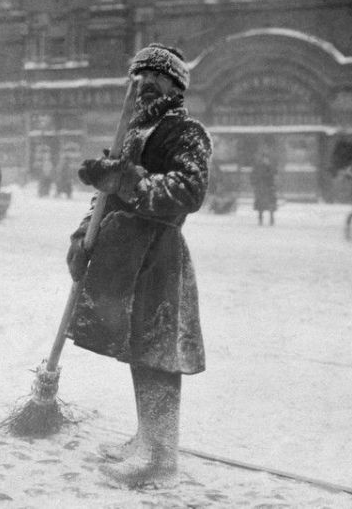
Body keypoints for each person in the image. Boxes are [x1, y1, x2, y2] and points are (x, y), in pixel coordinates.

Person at [66, 43, 212, 489]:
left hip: (159, 254)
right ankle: (147, 439)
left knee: (158, 352)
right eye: (138, 75)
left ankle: (161, 459)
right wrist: (83, 233)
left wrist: (126, 178)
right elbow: (106, 195)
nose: (144, 83)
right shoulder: (132, 131)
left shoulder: (186, 132)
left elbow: (188, 192)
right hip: (124, 253)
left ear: (176, 84)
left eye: (156, 75)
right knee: (138, 346)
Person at [250, 153, 277, 226]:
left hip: (269, 187)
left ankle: (271, 218)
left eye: (267, 159)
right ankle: (260, 218)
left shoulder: (271, 167)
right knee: (260, 204)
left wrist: (274, 185)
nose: (265, 160)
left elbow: (274, 175)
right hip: (261, 188)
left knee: (271, 204)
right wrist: (255, 185)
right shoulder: (258, 167)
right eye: (264, 159)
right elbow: (254, 176)